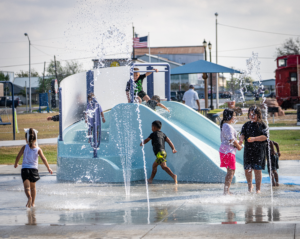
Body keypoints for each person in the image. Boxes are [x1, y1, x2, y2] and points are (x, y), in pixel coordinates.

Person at [14, 128, 53, 208]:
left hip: (25, 169)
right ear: (36, 139)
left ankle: (29, 197)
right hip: (34, 170)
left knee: (27, 187)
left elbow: (18, 156)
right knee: (33, 187)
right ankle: (33, 203)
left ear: (26, 139)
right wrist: (49, 168)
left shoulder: (24, 147)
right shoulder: (38, 149)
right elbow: (44, 159)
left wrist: (16, 163)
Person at [239, 106, 268, 194]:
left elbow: (265, 137)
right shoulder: (246, 125)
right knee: (248, 169)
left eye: (254, 114)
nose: (252, 116)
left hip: (259, 150)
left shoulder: (262, 125)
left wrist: (255, 139)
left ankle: (258, 188)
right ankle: (250, 186)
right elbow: (242, 134)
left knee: (257, 169)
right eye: (250, 114)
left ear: (258, 115)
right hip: (248, 150)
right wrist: (241, 139)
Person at [219, 109, 243, 195]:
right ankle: (226, 191)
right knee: (231, 171)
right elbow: (231, 139)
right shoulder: (227, 126)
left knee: (231, 171)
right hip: (228, 151)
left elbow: (230, 139)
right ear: (229, 116)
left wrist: (237, 143)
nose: (235, 118)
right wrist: (238, 146)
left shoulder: (225, 125)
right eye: (234, 116)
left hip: (226, 151)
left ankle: (227, 190)